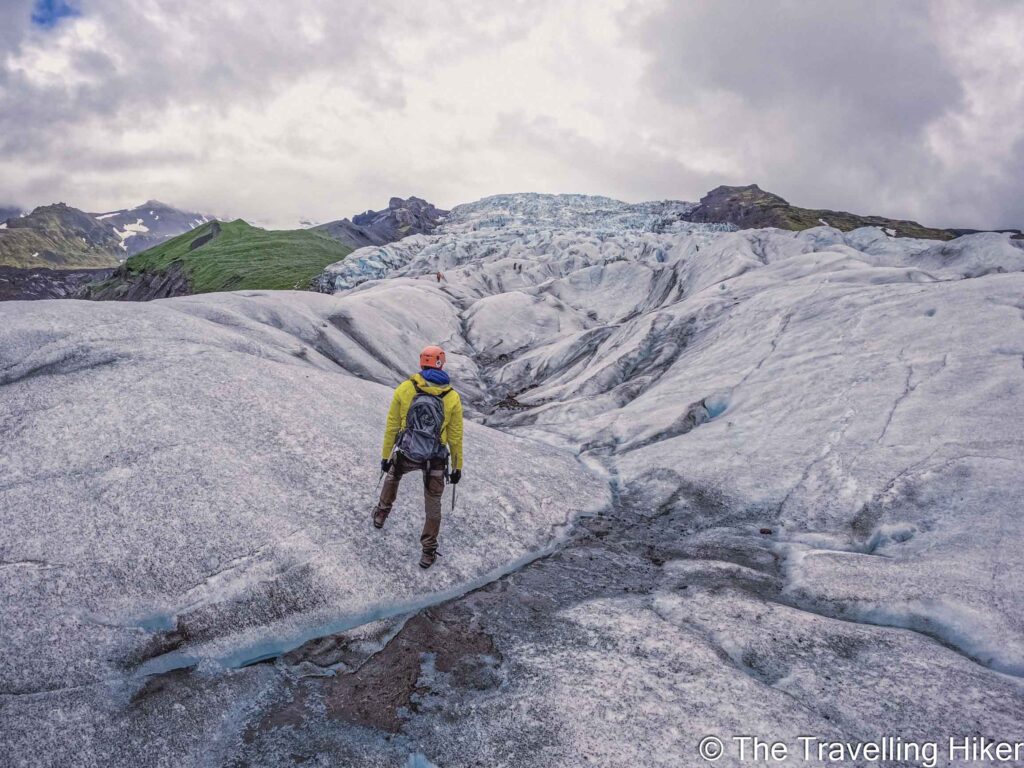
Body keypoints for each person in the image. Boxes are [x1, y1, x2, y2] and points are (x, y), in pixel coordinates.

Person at [372, 345, 464, 569]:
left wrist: (386, 456)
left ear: (422, 363)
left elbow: (392, 425)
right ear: (441, 363)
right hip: (435, 456)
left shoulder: (406, 388)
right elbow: (455, 436)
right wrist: (457, 467)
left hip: (407, 450)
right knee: (433, 503)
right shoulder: (451, 397)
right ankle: (428, 551)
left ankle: (381, 513)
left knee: (393, 474)